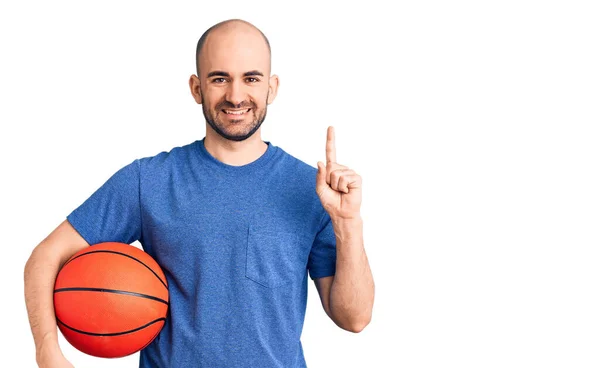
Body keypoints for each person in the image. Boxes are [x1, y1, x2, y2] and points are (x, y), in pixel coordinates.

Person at [24, 18, 375, 368]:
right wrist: (48, 352)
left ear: (272, 87)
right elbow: (45, 257)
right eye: (219, 78)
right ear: (196, 88)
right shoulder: (149, 180)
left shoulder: (311, 189)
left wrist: (348, 223)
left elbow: (354, 318)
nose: (236, 96)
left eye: (250, 78)